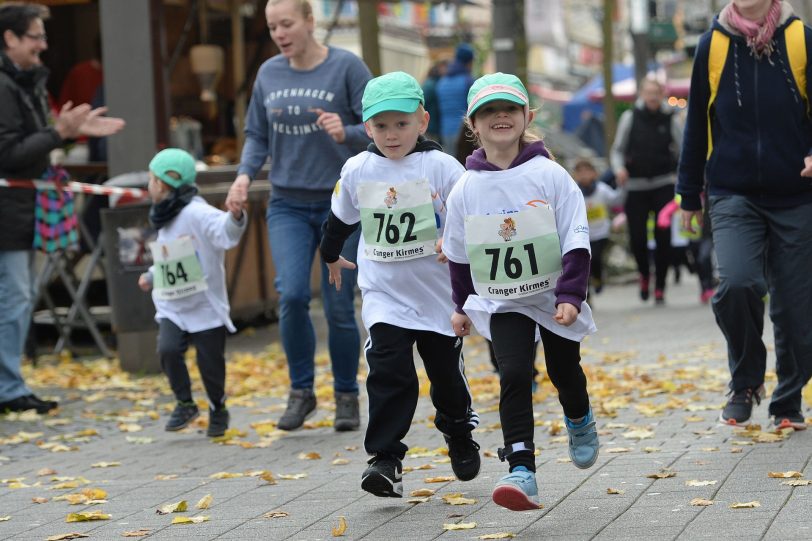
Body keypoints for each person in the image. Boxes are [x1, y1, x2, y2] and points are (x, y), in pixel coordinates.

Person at [442, 73, 599, 511]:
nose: (501, 118)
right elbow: (458, 253)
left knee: (565, 371)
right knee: (513, 374)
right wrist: (462, 306)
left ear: (527, 116)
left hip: (552, 298)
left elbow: (576, 237)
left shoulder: (550, 175)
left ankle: (579, 418)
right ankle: (521, 467)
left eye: (509, 109)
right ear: (473, 124)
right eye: (489, 111)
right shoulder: (466, 189)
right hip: (505, 301)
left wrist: (570, 294)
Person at [319, 71, 480, 498]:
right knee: (389, 371)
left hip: (437, 296)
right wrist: (330, 253)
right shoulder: (358, 168)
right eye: (381, 126)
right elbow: (339, 217)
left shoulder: (440, 166)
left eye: (401, 124)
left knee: (444, 375)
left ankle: (459, 431)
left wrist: (453, 237)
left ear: (423, 121)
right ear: (368, 127)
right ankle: (385, 459)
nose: (391, 135)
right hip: (384, 293)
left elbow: (471, 210)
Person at [225, 0, 372, 432]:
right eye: (273, 27)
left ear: (310, 22)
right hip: (286, 203)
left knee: (339, 304)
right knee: (290, 295)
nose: (279, 33)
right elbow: (256, 135)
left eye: (286, 24)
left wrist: (345, 131)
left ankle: (347, 394)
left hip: (339, 205)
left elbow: (380, 127)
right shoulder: (269, 73)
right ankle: (301, 392)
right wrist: (242, 177)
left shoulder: (346, 67)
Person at [678, 0, 812, 430]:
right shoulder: (712, 44)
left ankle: (788, 402)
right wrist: (688, 193)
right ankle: (746, 379)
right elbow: (697, 120)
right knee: (737, 283)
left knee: (795, 310)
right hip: (733, 193)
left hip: (796, 195)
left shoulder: (800, 38)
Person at [0, 3, 124, 414]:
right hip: (8, 209)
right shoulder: (4, 86)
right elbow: (9, 154)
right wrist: (59, 133)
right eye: (35, 36)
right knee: (16, 296)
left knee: (17, 297)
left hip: (19, 208)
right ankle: (9, 388)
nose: (43, 45)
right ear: (10, 39)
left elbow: (29, 146)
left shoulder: (24, 82)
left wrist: (67, 132)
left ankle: (10, 385)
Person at [137, 149, 245, 438]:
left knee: (210, 365)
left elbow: (225, 232)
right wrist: (151, 275)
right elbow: (169, 256)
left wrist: (234, 216)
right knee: (168, 350)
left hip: (205, 305)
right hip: (173, 304)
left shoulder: (196, 212)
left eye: (151, 179)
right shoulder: (163, 215)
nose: (148, 186)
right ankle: (185, 403)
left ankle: (217, 407)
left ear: (164, 183)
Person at [610, 77, 682, 304]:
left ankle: (660, 285)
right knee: (638, 238)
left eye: (656, 92)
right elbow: (617, 150)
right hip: (636, 186)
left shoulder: (670, 119)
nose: (652, 97)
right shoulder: (630, 118)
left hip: (663, 184)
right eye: (648, 92)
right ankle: (644, 274)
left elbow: (683, 150)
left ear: (662, 94)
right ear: (641, 94)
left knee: (663, 238)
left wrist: (682, 176)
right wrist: (619, 168)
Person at [572, 158, 625, 296]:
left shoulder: (602, 189)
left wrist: (622, 185)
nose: (584, 175)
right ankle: (586, 293)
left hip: (601, 233)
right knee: (583, 263)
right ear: (575, 175)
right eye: (580, 172)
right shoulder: (573, 191)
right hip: (582, 235)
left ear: (594, 173)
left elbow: (616, 200)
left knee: (595, 258)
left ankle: (599, 278)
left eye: (587, 171)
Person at [436, 43, 475, 156]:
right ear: (469, 62)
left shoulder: (442, 82)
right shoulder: (468, 81)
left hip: (445, 130)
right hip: (464, 132)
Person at [422, 59, 448, 143]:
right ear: (439, 67)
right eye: (446, 67)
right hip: (431, 127)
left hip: (432, 125)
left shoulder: (433, 82)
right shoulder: (432, 85)